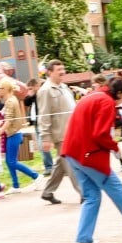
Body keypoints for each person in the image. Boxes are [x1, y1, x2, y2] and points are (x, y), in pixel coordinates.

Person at [60, 76, 122, 243]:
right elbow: (101, 134)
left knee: (91, 196)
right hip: (89, 155)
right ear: (118, 93)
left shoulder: (93, 96)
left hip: (73, 153)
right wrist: (115, 147)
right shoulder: (106, 102)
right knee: (117, 190)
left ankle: (83, 237)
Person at [36, 59, 81, 205]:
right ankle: (84, 193)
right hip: (60, 134)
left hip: (72, 131)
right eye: (58, 70)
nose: (62, 72)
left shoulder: (64, 87)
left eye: (63, 69)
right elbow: (44, 115)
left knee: (61, 164)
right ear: (49, 72)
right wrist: (45, 138)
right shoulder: (45, 90)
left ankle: (47, 192)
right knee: (70, 162)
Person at [0, 78, 41, 195]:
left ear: (5, 89)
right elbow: (8, 118)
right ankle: (16, 185)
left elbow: (9, 120)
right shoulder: (10, 100)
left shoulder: (10, 101)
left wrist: (0, 131)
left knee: (12, 161)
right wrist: (1, 123)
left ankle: (36, 176)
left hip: (14, 134)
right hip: (12, 134)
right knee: (9, 161)